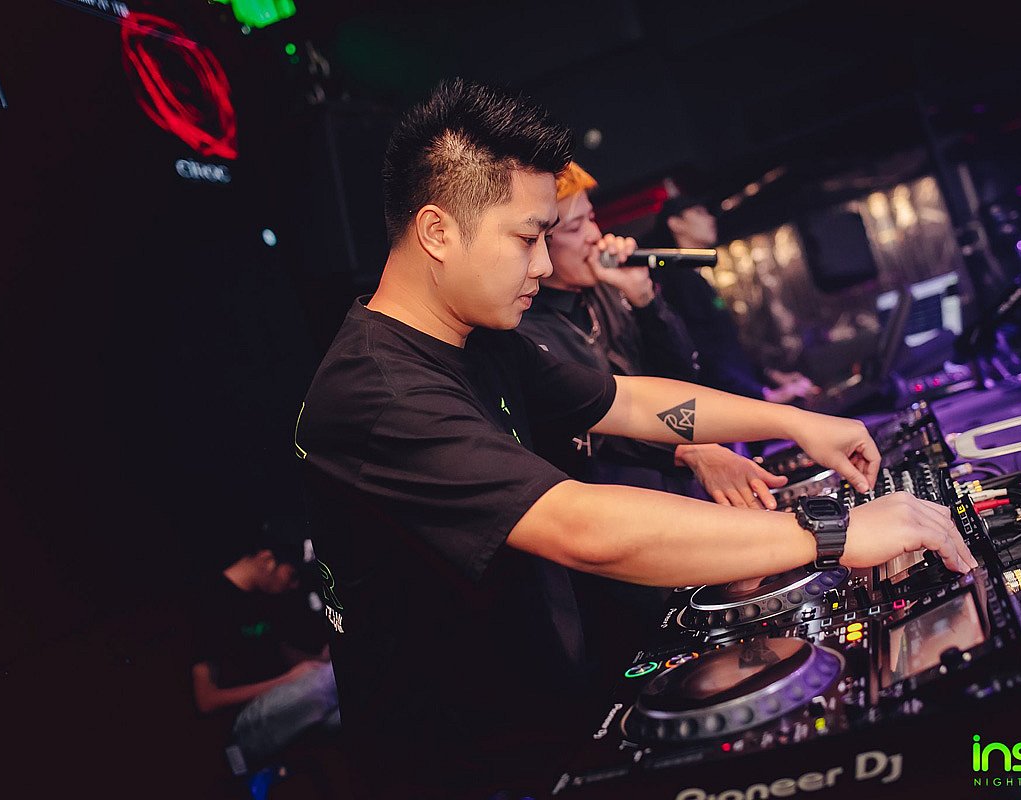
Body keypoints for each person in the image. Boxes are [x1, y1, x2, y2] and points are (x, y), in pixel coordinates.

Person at [294, 77, 976, 800]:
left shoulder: (478, 338)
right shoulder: (378, 395)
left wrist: (795, 422)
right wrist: (833, 534)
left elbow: (630, 401)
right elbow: (580, 526)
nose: (544, 264)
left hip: (541, 722)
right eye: (527, 238)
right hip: (460, 772)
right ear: (438, 232)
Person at [516, 161, 790, 678]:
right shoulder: (527, 332)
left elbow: (681, 380)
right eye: (575, 228)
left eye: (591, 218)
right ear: (539, 246)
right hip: (619, 535)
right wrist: (686, 449)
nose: (595, 235)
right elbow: (591, 427)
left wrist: (644, 300)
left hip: (675, 500)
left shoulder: (605, 294)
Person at [189, 518, 339, 780]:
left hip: (282, 707)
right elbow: (207, 700)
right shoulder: (210, 601)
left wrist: (319, 660)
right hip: (242, 727)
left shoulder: (263, 599)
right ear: (268, 560)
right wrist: (288, 680)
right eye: (292, 575)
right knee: (328, 682)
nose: (294, 586)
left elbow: (284, 655)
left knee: (347, 707)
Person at [646, 195, 820, 404]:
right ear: (676, 224)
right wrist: (762, 394)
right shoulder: (678, 282)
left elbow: (725, 347)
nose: (710, 219)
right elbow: (705, 353)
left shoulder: (693, 278)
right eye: (699, 212)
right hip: (726, 404)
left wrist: (770, 376)